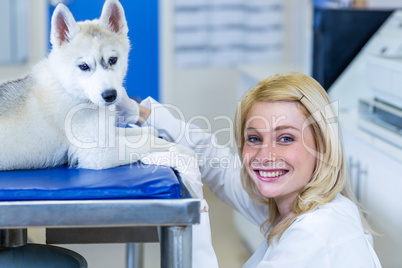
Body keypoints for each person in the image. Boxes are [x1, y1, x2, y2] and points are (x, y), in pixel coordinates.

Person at [118, 72, 381, 267]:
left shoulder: (315, 234)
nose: (265, 156)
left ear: (323, 147)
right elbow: (217, 164)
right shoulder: (302, 205)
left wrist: (193, 207)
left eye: (286, 138)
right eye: (254, 139)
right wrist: (139, 112)